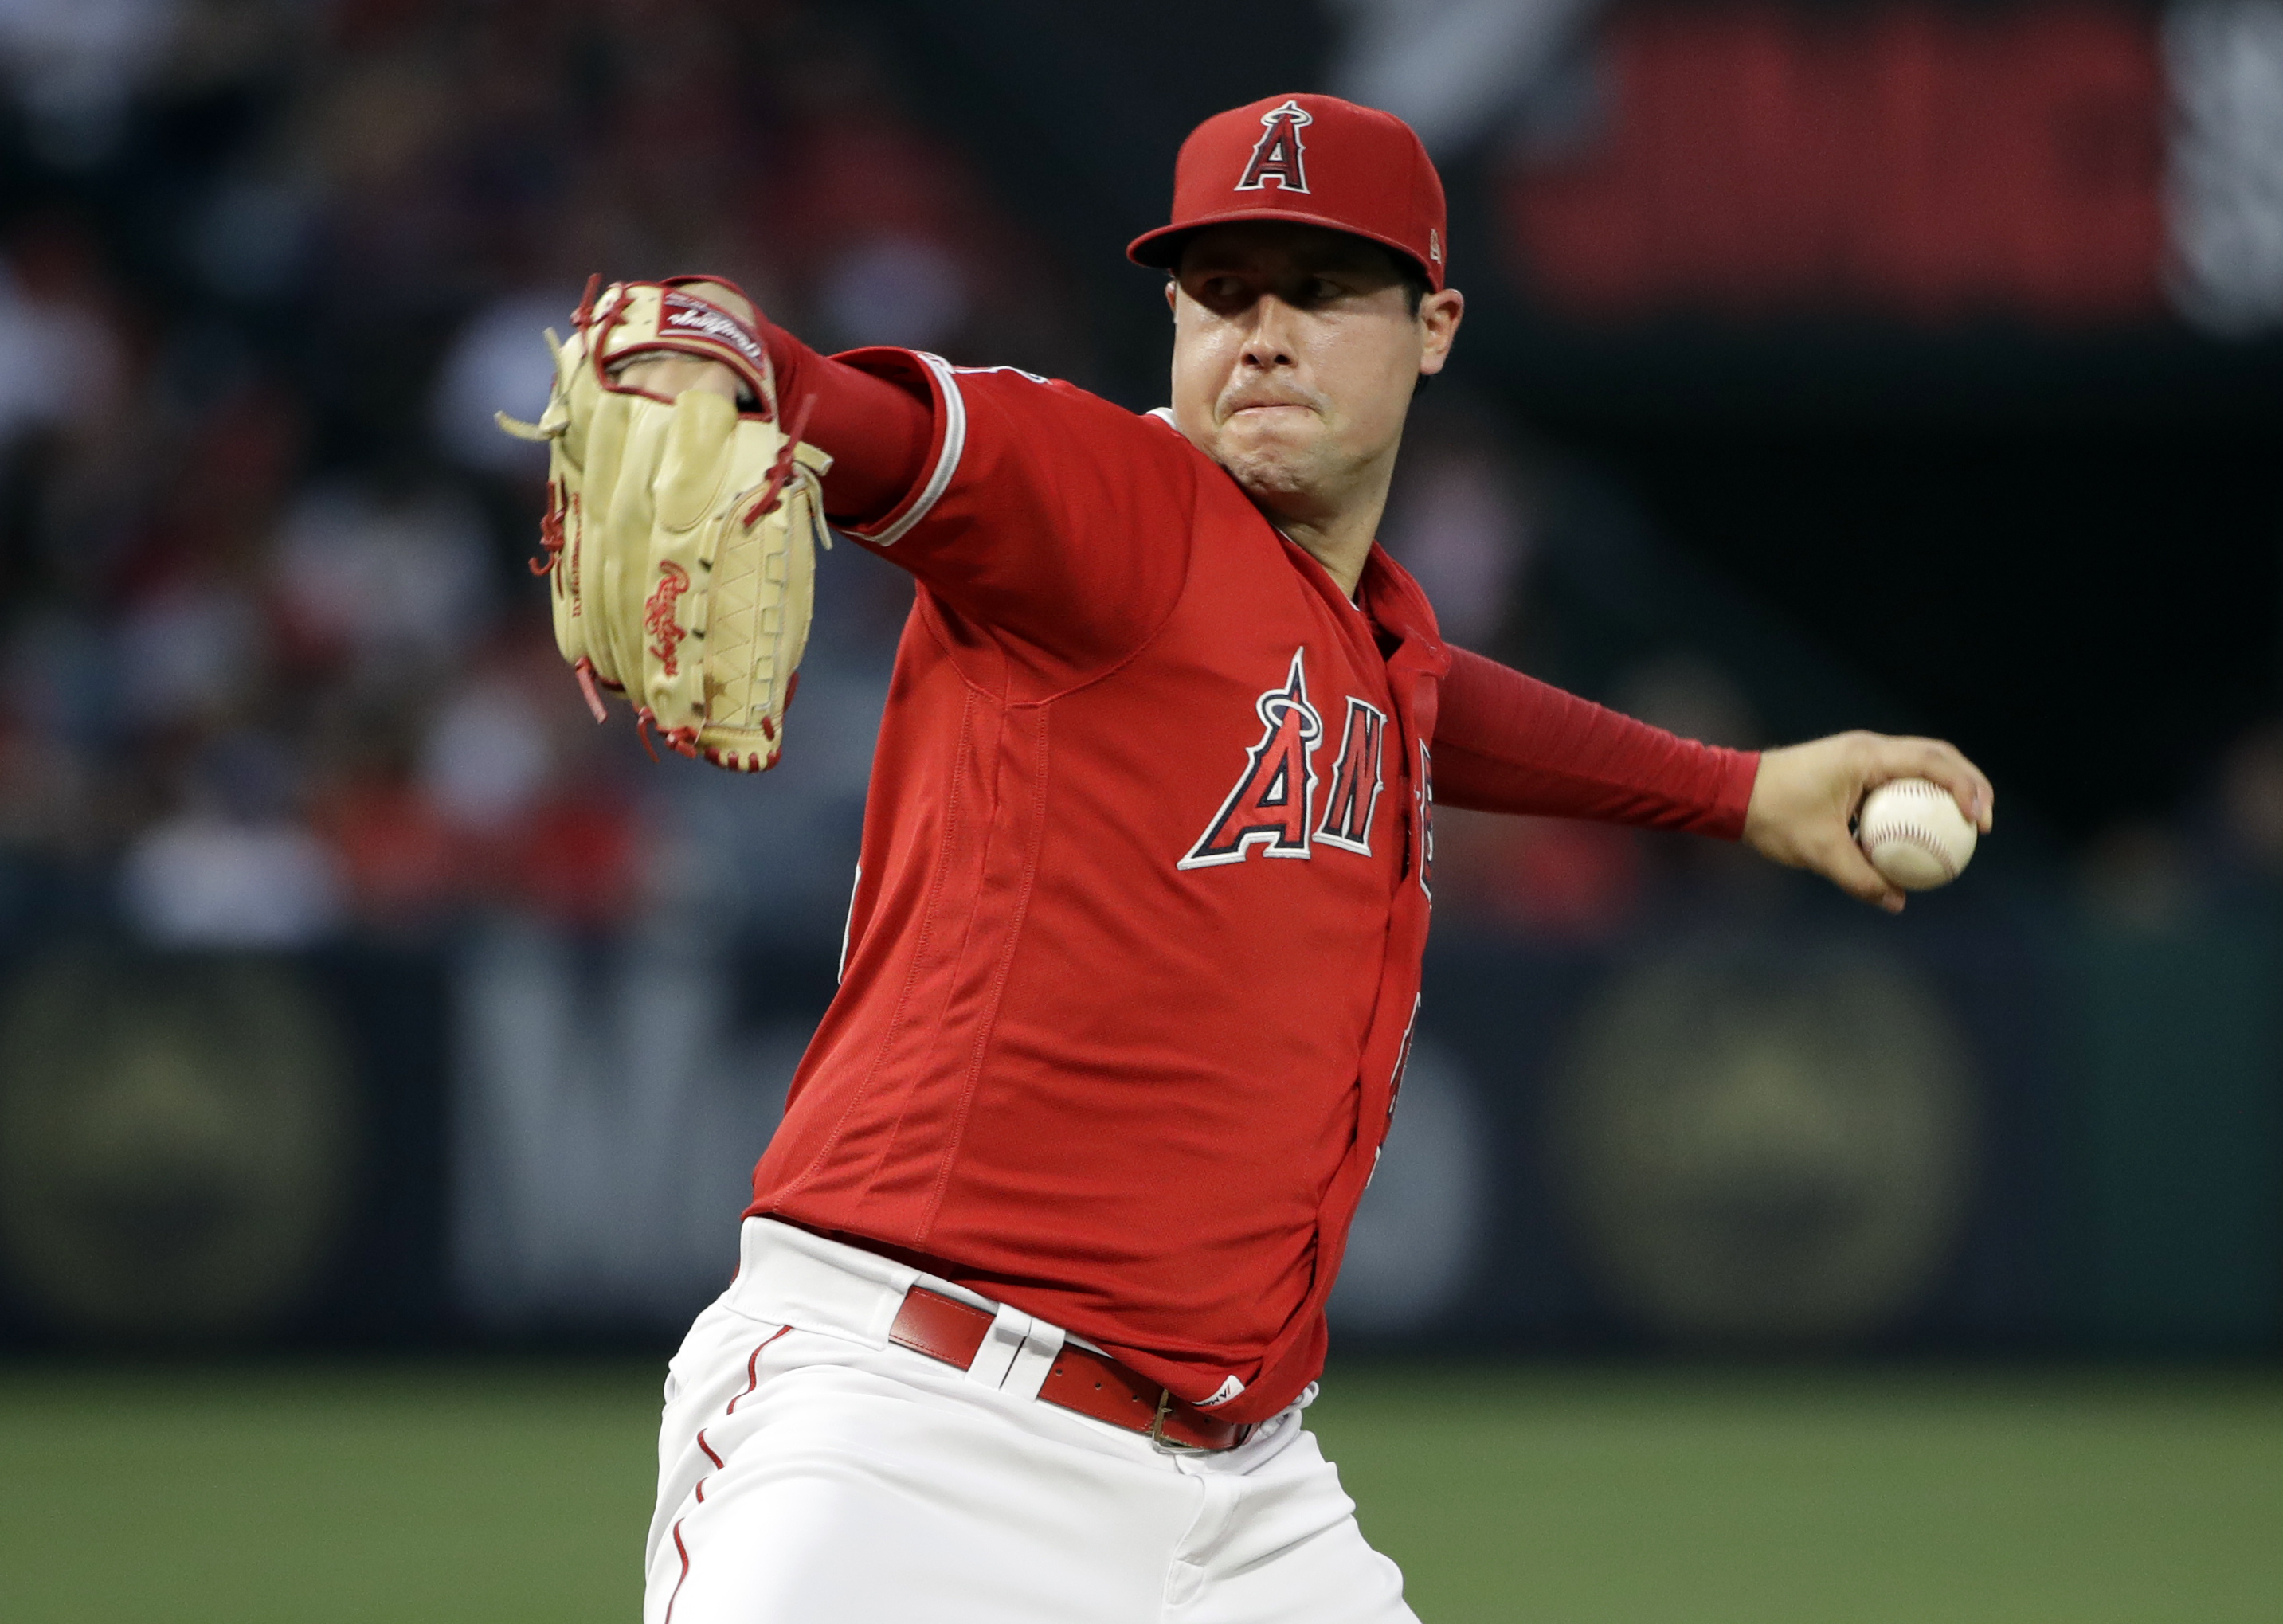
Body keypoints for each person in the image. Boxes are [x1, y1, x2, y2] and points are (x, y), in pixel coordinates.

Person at [617, 93, 1993, 1623]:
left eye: (1322, 288)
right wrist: (725, 351)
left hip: (1245, 1499)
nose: (1262, 333)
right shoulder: (1114, 511)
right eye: (1221, 292)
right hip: (913, 1432)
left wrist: (1736, 792)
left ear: (1436, 326)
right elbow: (889, 426)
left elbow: (1435, 705)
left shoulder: (1361, 636)